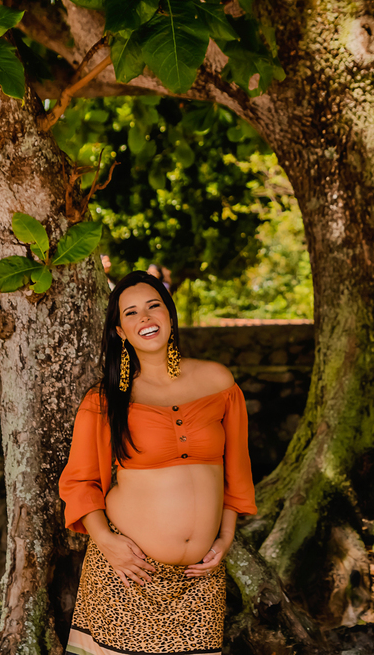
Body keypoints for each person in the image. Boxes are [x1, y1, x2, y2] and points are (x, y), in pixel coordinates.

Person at [59, 271, 256, 655]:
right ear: (120, 331)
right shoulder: (105, 399)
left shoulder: (218, 381)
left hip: (199, 580)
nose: (145, 318)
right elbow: (80, 482)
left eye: (154, 306)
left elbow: (237, 469)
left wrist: (226, 536)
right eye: (131, 312)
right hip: (127, 573)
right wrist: (107, 542)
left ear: (169, 314)